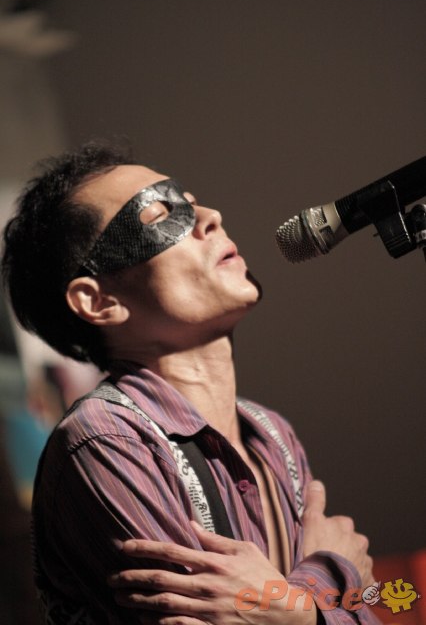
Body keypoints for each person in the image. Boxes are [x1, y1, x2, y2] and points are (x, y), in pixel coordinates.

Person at [1, 142, 381, 624]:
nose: (211, 217)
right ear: (98, 302)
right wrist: (327, 577)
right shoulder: (107, 440)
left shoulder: (271, 433)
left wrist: (292, 608)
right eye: (161, 215)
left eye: (192, 202)